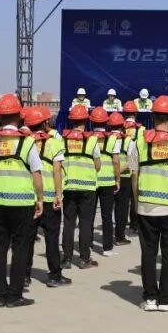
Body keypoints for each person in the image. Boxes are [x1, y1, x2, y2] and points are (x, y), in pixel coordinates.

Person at [0, 94, 45, 307]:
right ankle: (15, 295)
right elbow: (36, 173)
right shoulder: (27, 142)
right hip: (22, 203)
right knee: (20, 248)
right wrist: (40, 199)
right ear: (18, 116)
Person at [129, 95, 168, 311]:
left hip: (146, 206)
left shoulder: (138, 142)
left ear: (153, 116)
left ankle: (150, 298)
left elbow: (134, 176)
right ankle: (166, 299)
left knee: (148, 253)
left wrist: (136, 202)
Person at [26, 106, 67, 287]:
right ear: (45, 123)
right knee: (52, 237)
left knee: (27, 239)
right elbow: (57, 171)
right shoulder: (55, 143)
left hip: (30, 198)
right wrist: (59, 194)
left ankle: (24, 276)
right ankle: (54, 276)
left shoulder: (24, 142)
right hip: (50, 197)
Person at [61, 104, 102, 269]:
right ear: (85, 120)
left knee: (69, 223)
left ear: (72, 121)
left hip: (69, 186)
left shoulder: (64, 139)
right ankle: (84, 259)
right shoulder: (92, 140)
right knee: (85, 222)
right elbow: (97, 164)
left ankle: (67, 259)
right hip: (87, 188)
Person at [88, 107, 119, 257]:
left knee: (90, 215)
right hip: (108, 182)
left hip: (92, 181)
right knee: (107, 216)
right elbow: (116, 161)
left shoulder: (88, 138)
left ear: (92, 122)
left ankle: (88, 243)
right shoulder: (112, 139)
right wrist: (117, 179)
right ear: (106, 122)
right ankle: (107, 248)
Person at [106, 112, 131, 246]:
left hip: (109, 178)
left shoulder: (107, 139)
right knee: (122, 208)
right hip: (124, 177)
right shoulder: (128, 141)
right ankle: (120, 237)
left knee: (107, 210)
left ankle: (106, 238)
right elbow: (132, 162)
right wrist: (118, 172)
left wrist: (113, 173)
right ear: (122, 125)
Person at [122, 101, 144, 236]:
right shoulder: (141, 130)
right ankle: (134, 225)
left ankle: (121, 226)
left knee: (123, 201)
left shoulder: (119, 127)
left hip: (123, 168)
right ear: (135, 114)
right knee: (135, 197)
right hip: (136, 166)